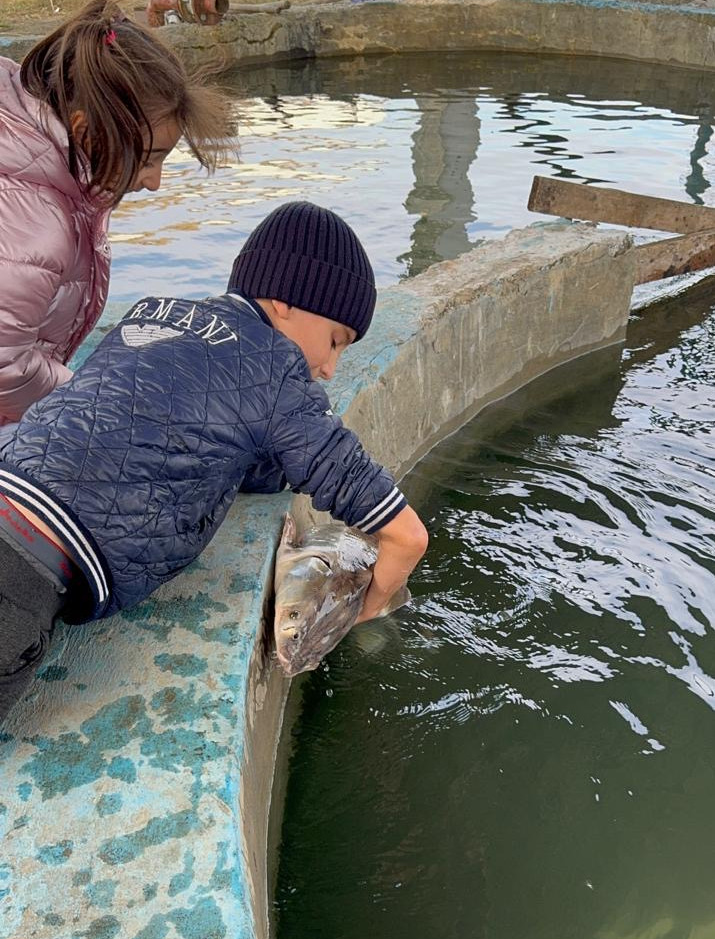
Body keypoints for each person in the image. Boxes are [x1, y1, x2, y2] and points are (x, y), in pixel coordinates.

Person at [0, 201, 429, 720]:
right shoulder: (276, 372)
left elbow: (211, 435)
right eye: (335, 341)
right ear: (285, 302)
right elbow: (407, 536)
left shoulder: (150, 314)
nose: (331, 368)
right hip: (28, 571)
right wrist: (365, 609)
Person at [0, 0, 233, 424]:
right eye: (149, 158)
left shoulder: (35, 154)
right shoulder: (37, 225)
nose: (155, 181)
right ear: (85, 131)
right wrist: (97, 406)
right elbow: (4, 368)